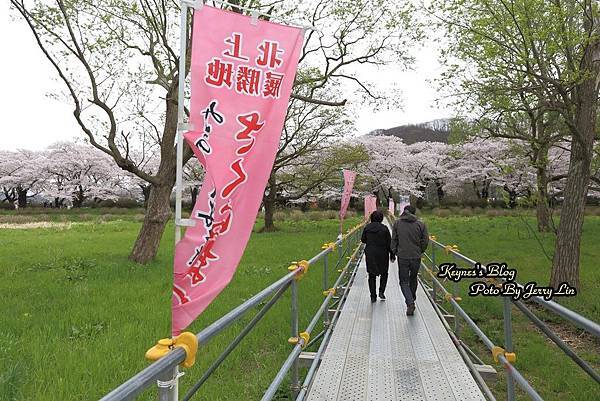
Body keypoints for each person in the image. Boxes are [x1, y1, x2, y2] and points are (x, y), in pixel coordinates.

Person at [390, 205, 429, 316]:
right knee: (413, 278)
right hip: (416, 256)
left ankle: (410, 301)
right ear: (414, 212)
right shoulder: (421, 224)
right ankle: (411, 297)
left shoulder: (397, 223)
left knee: (403, 281)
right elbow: (425, 240)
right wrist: (420, 250)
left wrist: (394, 251)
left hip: (402, 256)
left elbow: (394, 239)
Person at [361, 210, 394, 303]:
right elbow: (389, 242)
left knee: (371, 275)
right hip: (383, 253)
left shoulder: (367, 228)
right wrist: (392, 254)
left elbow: (363, 240)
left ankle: (373, 296)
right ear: (381, 218)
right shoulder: (384, 229)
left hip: (370, 253)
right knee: (384, 273)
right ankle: (381, 292)